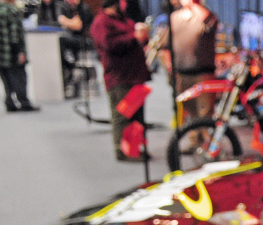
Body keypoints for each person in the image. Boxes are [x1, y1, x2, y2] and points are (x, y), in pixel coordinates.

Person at [90, 0, 150, 161]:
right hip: (119, 77)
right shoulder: (102, 22)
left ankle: (135, 148)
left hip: (134, 75)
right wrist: (133, 36)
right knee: (123, 116)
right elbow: (109, 45)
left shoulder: (122, 19)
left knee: (137, 116)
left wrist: (142, 36)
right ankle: (123, 151)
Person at [160, 0, 218, 122]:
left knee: (205, 114)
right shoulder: (174, 17)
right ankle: (195, 139)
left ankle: (206, 140)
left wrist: (191, 4)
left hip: (202, 75)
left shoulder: (203, 16)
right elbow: (165, 46)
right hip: (182, 74)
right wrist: (169, 64)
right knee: (190, 114)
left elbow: (211, 21)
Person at [0, 0, 39, 112]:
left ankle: (9, 103)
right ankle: (24, 102)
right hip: (12, 52)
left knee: (5, 78)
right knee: (19, 77)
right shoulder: (12, 11)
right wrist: (20, 52)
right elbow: (15, 35)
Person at [57, 0, 93, 97]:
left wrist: (67, 22)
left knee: (63, 41)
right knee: (61, 42)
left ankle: (71, 64)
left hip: (84, 40)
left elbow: (78, 26)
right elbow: (60, 19)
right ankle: (69, 64)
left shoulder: (83, 7)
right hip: (70, 40)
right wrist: (71, 22)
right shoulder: (63, 6)